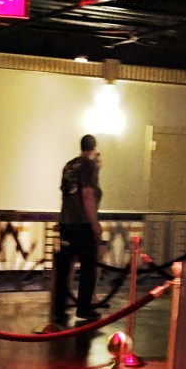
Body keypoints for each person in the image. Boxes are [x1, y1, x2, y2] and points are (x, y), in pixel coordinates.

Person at [51, 133, 103, 325]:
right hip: (82, 224)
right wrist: (94, 224)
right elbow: (87, 194)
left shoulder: (68, 166)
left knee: (64, 269)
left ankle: (59, 310)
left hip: (66, 223)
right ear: (93, 148)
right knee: (88, 267)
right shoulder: (89, 165)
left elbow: (66, 195)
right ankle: (84, 308)